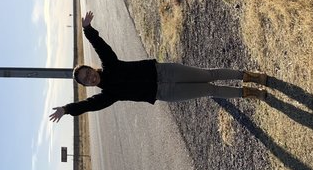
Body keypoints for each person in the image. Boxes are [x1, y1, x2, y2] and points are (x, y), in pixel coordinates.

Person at [49, 11, 268, 123]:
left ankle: (249, 76)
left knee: (209, 74)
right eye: (86, 80)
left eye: (87, 73)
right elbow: (89, 106)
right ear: (88, 85)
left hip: (163, 71)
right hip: (163, 92)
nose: (89, 78)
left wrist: (88, 30)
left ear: (92, 69)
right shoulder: (108, 95)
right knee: (210, 89)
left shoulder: (110, 64)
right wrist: (67, 109)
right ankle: (249, 93)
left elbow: (100, 46)